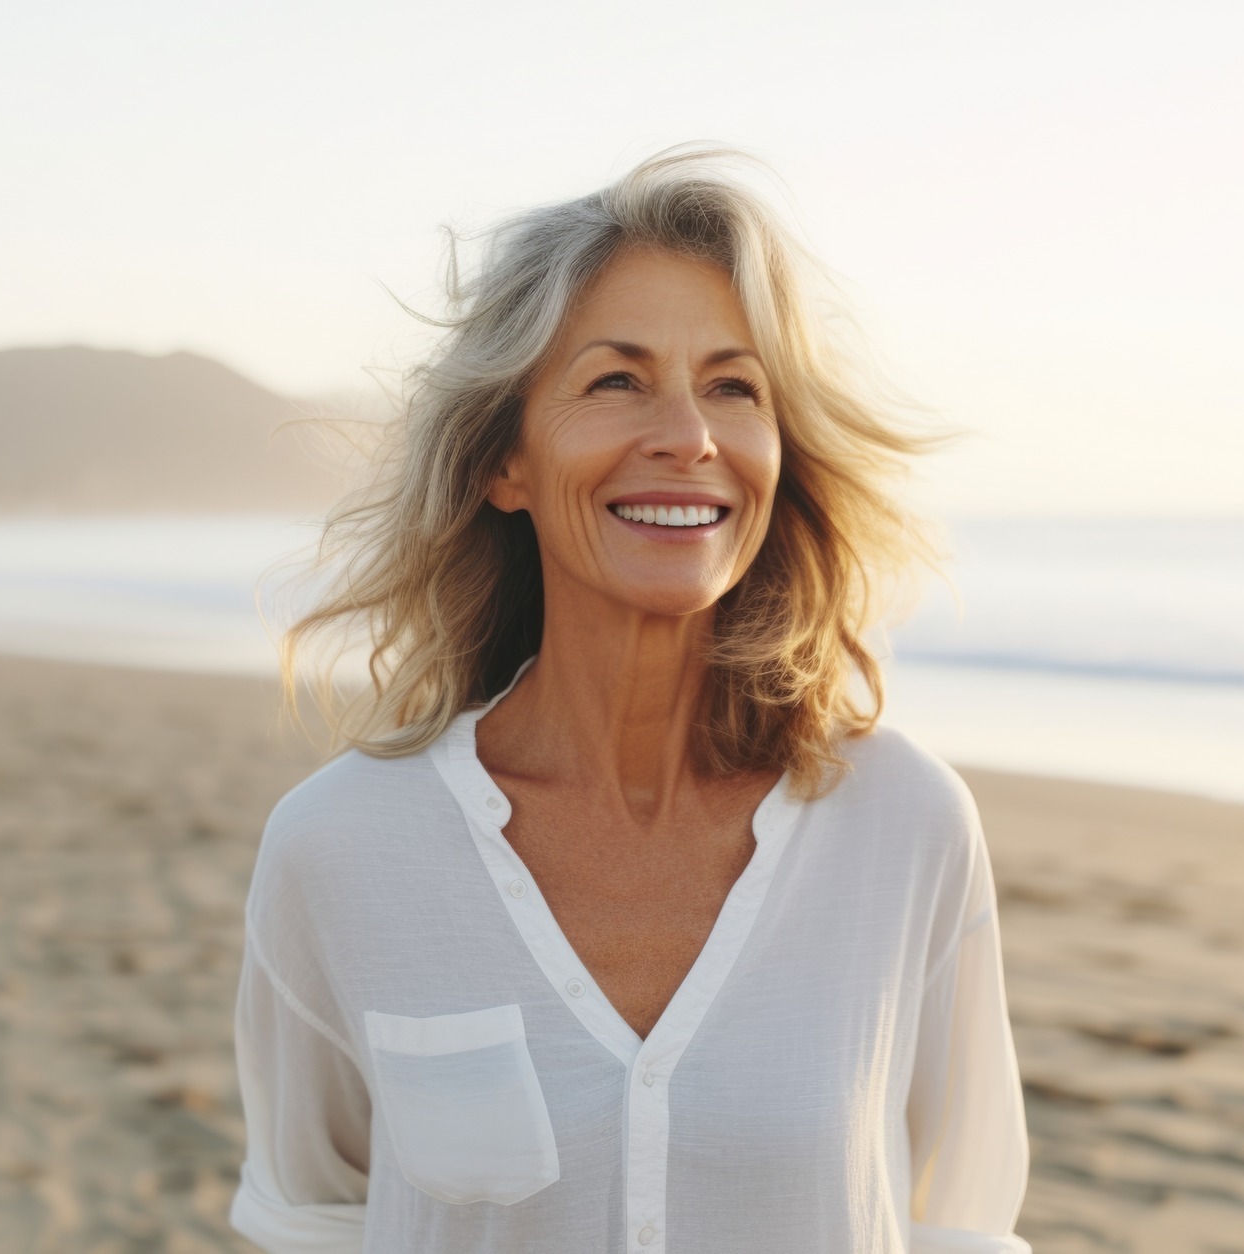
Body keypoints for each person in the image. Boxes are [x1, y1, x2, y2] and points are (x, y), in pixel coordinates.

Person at [228, 149, 1030, 1253]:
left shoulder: (904, 827)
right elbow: (310, 1221)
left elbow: (960, 1225)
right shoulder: (340, 847)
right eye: (616, 380)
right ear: (503, 460)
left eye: (733, 387)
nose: (688, 437)